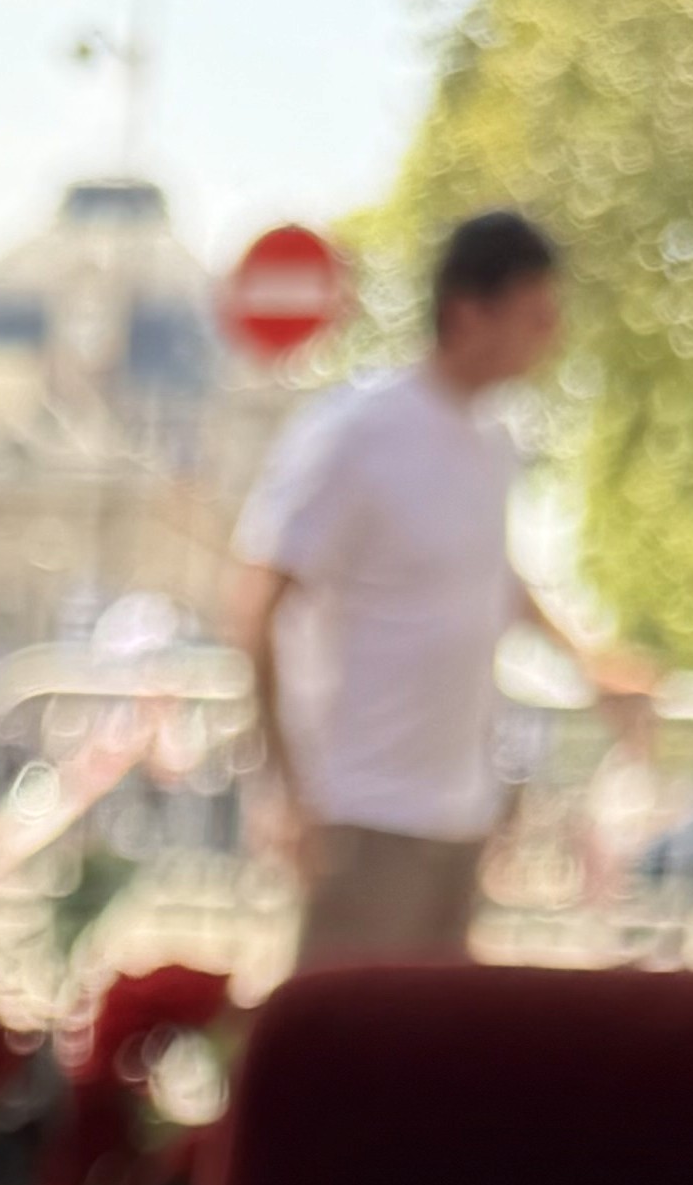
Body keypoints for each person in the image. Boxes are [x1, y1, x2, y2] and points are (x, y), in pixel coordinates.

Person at [232, 207, 655, 978]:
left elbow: (494, 580)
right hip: (358, 812)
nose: (551, 335)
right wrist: (285, 789)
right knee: (345, 1037)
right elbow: (259, 603)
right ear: (467, 312)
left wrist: (590, 662)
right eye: (535, 314)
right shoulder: (356, 431)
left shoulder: (495, 439)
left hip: (459, 815)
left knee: (426, 1042)